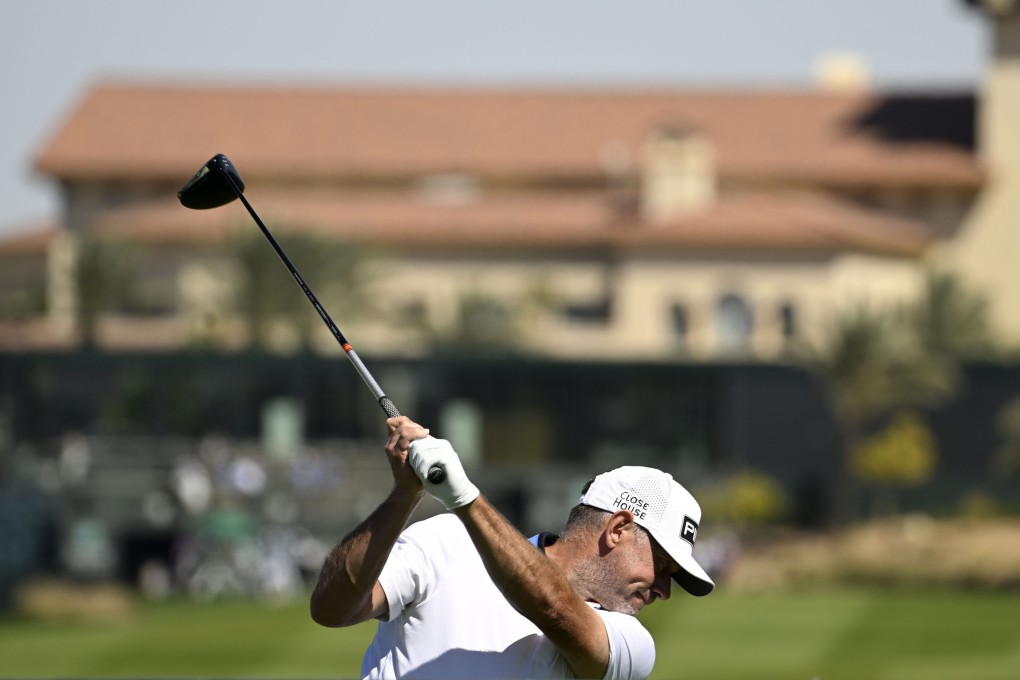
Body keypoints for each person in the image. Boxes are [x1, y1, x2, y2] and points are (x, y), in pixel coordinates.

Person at [310, 416, 714, 680]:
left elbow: (553, 607)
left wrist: (464, 496)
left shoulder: (631, 643)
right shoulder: (449, 540)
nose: (664, 589)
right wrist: (403, 495)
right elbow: (331, 609)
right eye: (662, 565)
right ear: (618, 529)